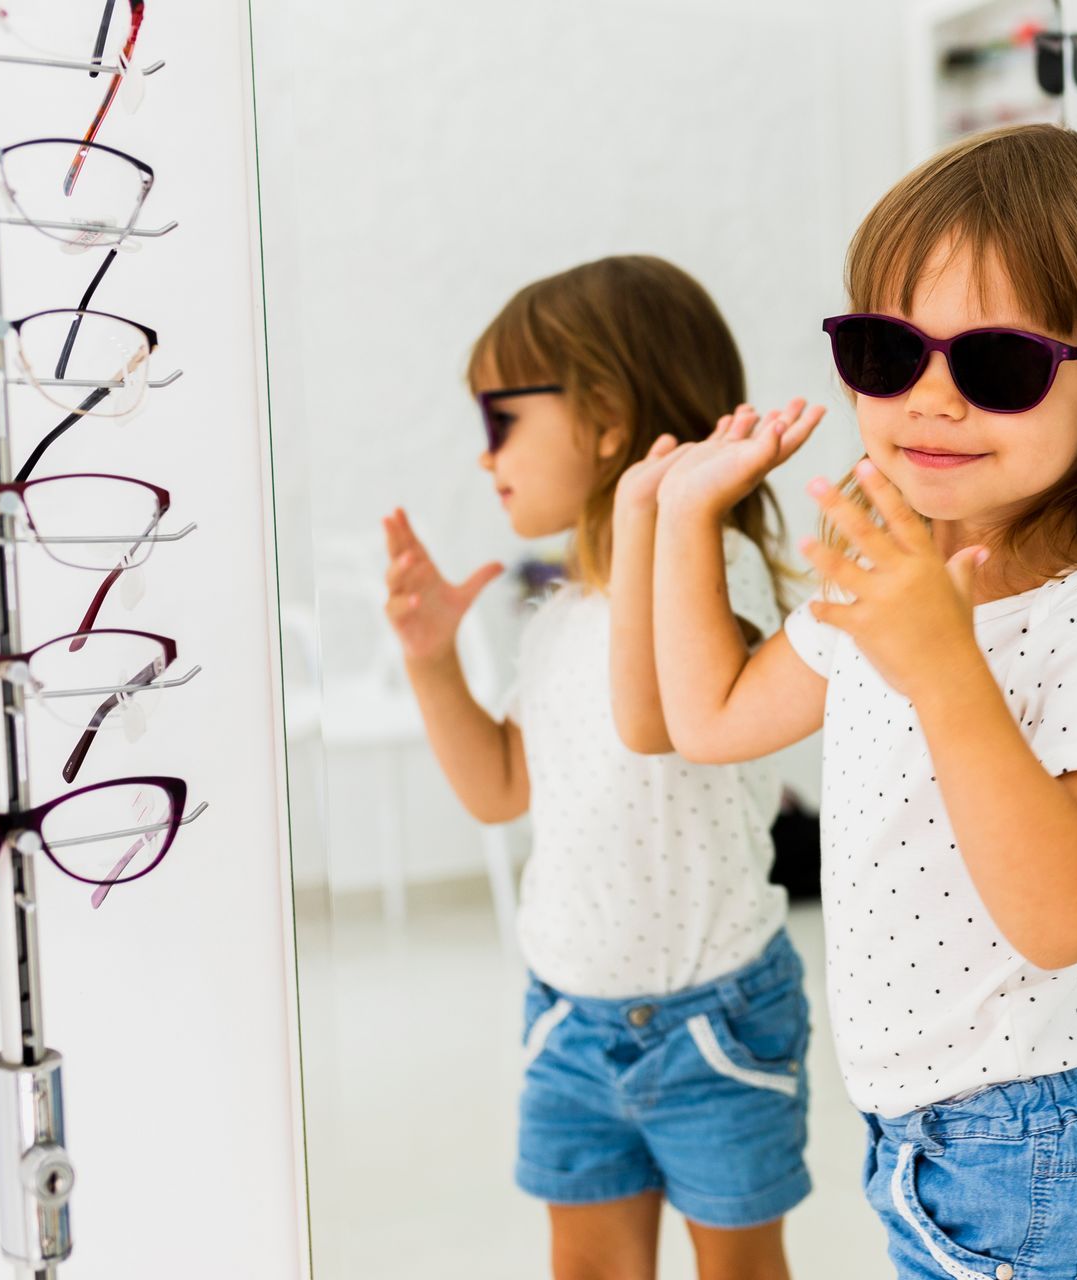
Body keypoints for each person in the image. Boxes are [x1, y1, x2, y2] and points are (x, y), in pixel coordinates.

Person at [632, 125, 1077, 1279]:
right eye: (887, 350)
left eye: (999, 364)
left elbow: (1067, 915)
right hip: (919, 1135)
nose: (930, 399)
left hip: (1028, 1150)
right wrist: (683, 518)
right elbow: (711, 718)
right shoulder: (888, 578)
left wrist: (942, 666)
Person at [382, 255, 814, 1280]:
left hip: (715, 1020)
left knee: (741, 1268)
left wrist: (649, 524)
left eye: (503, 421)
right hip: (569, 1015)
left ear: (610, 418)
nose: (487, 457)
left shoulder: (718, 567)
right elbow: (499, 785)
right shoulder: (561, 614)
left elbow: (655, 716)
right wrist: (433, 660)